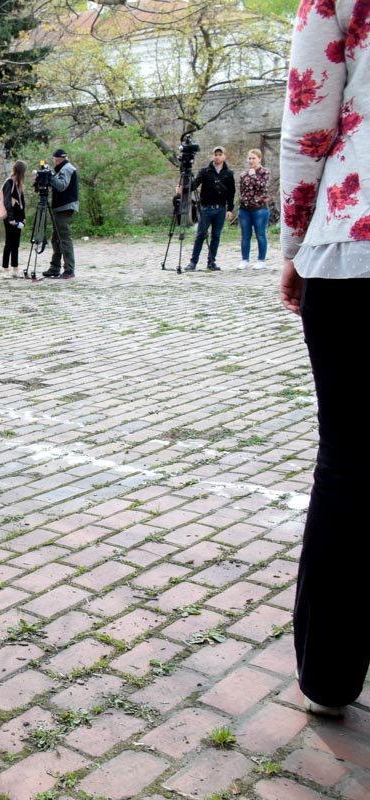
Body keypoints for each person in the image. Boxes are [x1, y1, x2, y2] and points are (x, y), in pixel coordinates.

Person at [279, 0, 369, 718]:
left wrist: (293, 247)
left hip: (354, 241)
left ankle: (329, 675)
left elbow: (308, 119)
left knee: (349, 464)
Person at [181, 146, 235, 272]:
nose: (217, 156)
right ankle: (193, 262)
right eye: (215, 154)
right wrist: (184, 189)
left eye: (220, 154)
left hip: (220, 209)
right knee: (200, 235)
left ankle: (211, 261)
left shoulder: (228, 174)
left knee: (216, 236)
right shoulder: (205, 171)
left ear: (224, 156)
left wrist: (229, 209)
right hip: (206, 208)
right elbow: (195, 185)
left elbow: (231, 192)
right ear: (212, 156)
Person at [43, 148, 78, 279]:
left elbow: (62, 185)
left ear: (58, 159)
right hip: (61, 207)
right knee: (56, 238)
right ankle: (55, 267)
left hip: (65, 207)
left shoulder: (67, 169)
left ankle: (69, 270)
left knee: (63, 238)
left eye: (54, 160)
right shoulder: (63, 169)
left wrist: (51, 176)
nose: (54, 162)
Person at [237, 148, 272, 270]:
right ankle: (245, 259)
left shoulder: (265, 172)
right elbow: (241, 190)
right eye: (249, 158)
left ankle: (261, 260)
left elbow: (263, 187)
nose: (251, 160)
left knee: (260, 234)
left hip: (260, 209)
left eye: (254, 158)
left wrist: (253, 176)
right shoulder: (243, 174)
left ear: (259, 159)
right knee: (245, 235)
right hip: (245, 209)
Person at [1, 161, 27, 279]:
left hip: (18, 217)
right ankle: (5, 269)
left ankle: (15, 268)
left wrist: (23, 217)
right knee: (9, 243)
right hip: (10, 217)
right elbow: (7, 201)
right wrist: (10, 218)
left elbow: (22, 202)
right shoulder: (9, 182)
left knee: (16, 243)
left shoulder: (18, 183)